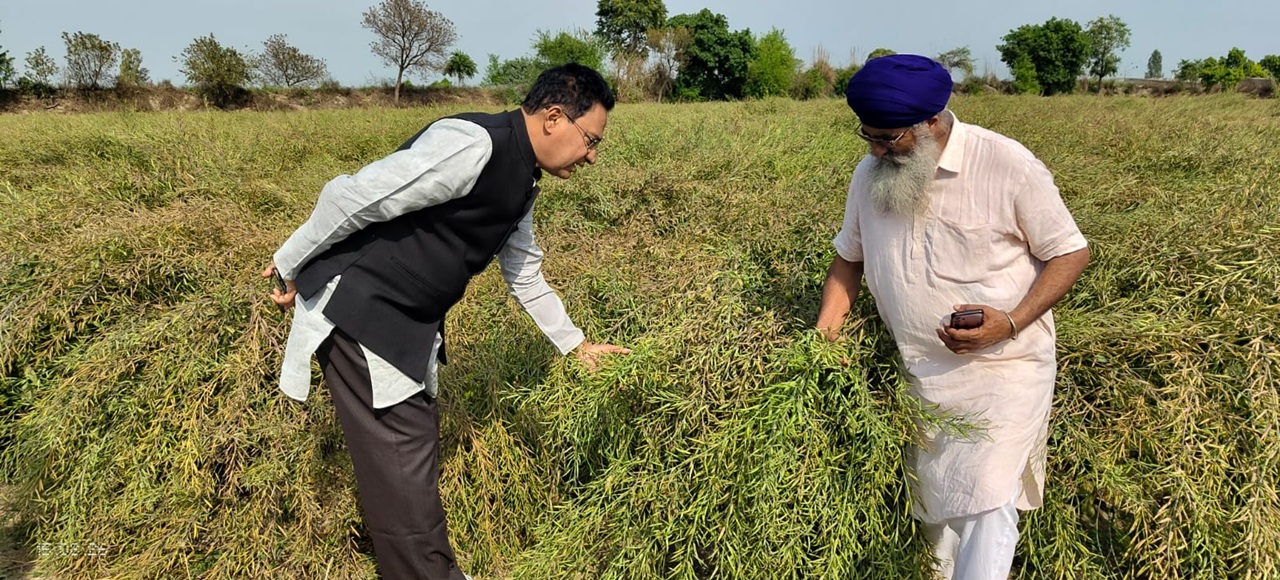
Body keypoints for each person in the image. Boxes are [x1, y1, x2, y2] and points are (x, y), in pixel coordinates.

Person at [261, 63, 630, 580]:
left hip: (401, 322)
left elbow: (524, 274)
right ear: (553, 118)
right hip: (363, 310)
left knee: (405, 465)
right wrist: (289, 262)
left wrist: (577, 345)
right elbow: (352, 196)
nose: (591, 155)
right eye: (590, 139)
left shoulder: (523, 181)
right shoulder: (473, 146)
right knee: (404, 467)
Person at [815, 54, 1090, 579]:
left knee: (987, 501)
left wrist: (1009, 321)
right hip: (918, 377)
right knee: (936, 521)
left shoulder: (1007, 164)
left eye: (889, 138)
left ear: (932, 122)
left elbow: (1070, 251)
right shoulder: (870, 174)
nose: (875, 150)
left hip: (1005, 371)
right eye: (866, 136)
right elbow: (848, 260)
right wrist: (821, 343)